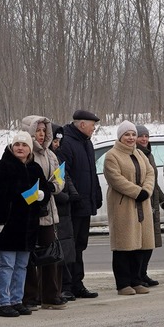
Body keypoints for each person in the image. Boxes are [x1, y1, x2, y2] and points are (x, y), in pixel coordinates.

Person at [0, 130, 49, 317]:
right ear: (12, 147)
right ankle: (3, 302)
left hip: (28, 226)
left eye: (24, 145)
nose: (20, 148)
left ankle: (17, 299)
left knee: (22, 266)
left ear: (30, 149)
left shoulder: (35, 168)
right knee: (6, 265)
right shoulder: (2, 167)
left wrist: (41, 196)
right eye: (17, 145)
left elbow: (45, 190)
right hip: (8, 225)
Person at [103, 122, 160, 293]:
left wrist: (147, 190)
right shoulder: (111, 155)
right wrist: (137, 192)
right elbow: (115, 179)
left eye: (133, 135)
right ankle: (123, 284)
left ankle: (137, 281)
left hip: (142, 204)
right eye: (127, 134)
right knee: (124, 245)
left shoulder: (140, 154)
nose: (131, 138)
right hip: (123, 206)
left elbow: (150, 173)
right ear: (120, 136)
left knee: (141, 244)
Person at [18, 115, 65, 308]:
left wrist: (53, 188)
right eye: (37, 131)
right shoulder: (24, 152)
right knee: (29, 256)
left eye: (44, 131)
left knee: (50, 255)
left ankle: (50, 295)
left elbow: (59, 178)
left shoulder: (50, 154)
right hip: (29, 212)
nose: (41, 135)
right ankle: (30, 296)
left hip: (48, 211)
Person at [57, 110, 103, 299]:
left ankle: (77, 283)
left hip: (85, 204)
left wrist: (96, 195)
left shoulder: (87, 143)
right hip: (72, 205)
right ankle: (65, 285)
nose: (94, 128)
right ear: (82, 124)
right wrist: (73, 197)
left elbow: (91, 172)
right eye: (92, 125)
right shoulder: (67, 143)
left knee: (79, 246)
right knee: (69, 246)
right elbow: (63, 174)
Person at [132, 125, 164, 286]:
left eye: (146, 136)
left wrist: (162, 199)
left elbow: (153, 182)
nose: (144, 139)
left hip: (152, 202)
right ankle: (136, 274)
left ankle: (143, 273)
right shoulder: (136, 154)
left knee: (150, 241)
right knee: (141, 241)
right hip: (142, 201)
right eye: (141, 136)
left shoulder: (149, 154)